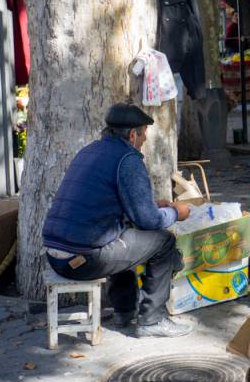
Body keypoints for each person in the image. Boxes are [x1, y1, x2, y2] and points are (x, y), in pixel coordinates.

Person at [42, 104, 194, 338]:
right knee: (163, 242)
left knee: (122, 232)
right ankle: (152, 320)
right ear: (132, 135)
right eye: (143, 133)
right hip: (83, 261)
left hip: (54, 256)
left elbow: (108, 202)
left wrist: (152, 204)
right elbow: (148, 221)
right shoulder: (128, 159)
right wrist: (176, 213)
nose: (144, 140)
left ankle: (125, 311)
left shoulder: (90, 151)